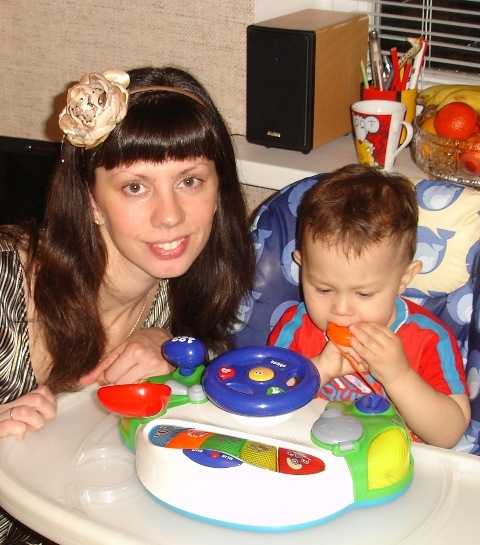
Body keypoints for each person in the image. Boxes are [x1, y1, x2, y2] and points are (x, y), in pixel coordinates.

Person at [0, 66, 255, 543]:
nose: (170, 216)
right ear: (92, 200)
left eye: (190, 181)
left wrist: (176, 352)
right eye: (135, 187)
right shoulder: (5, 279)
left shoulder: (188, 291)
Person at [268, 164, 470, 449]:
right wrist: (318, 371)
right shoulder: (296, 328)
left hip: (397, 463)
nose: (341, 309)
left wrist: (399, 377)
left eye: (364, 294)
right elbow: (266, 404)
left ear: (404, 279)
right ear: (302, 266)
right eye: (323, 289)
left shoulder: (429, 339)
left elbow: (448, 435)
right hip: (309, 455)